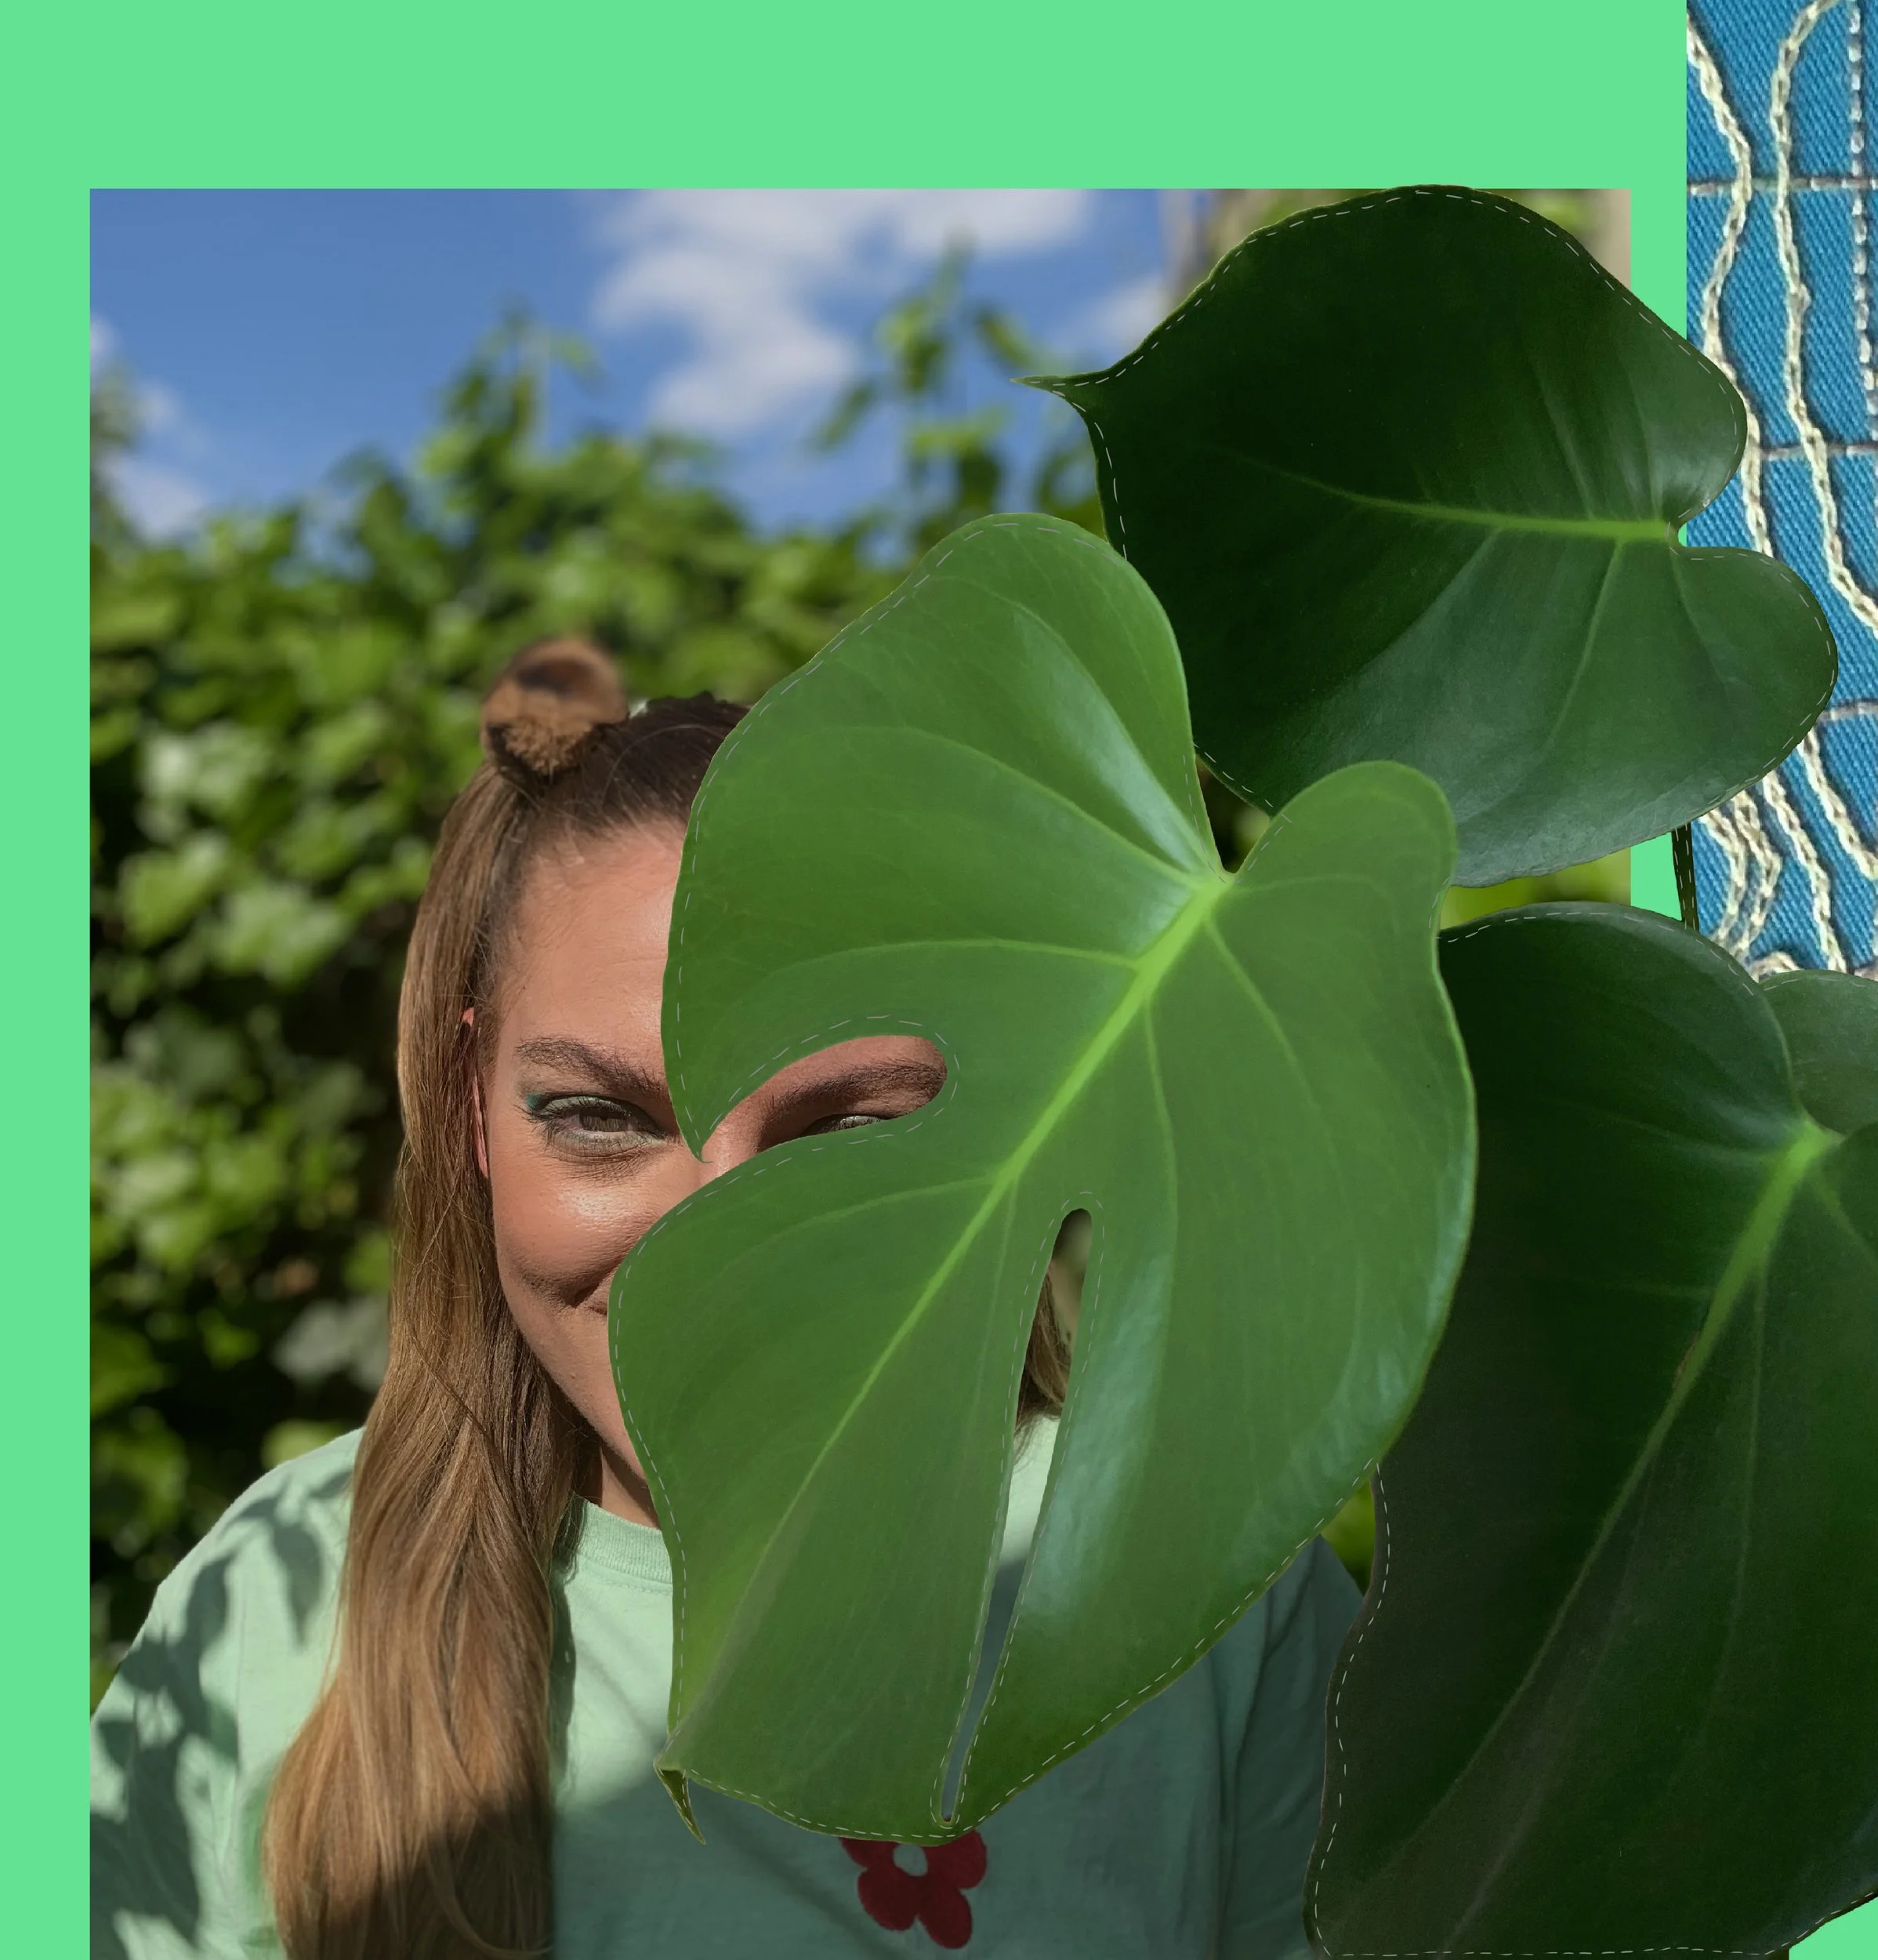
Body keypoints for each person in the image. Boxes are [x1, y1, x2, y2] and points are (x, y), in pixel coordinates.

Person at [90, 640, 1365, 1960]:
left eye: (842, 1130)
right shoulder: (281, 1604)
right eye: (596, 1119)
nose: (716, 1262)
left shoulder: (1203, 1606)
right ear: (471, 1110)